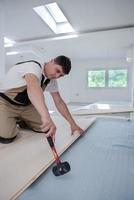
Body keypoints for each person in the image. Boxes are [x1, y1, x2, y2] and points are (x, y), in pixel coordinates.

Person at [0, 55, 83, 144]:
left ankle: (21, 120)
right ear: (52, 61)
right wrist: (46, 116)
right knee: (7, 137)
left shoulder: (51, 80)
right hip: (5, 103)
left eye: (61, 75)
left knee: (44, 128)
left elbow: (59, 101)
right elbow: (33, 87)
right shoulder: (33, 67)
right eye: (57, 71)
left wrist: (73, 124)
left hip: (27, 107)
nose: (57, 76)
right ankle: (12, 118)